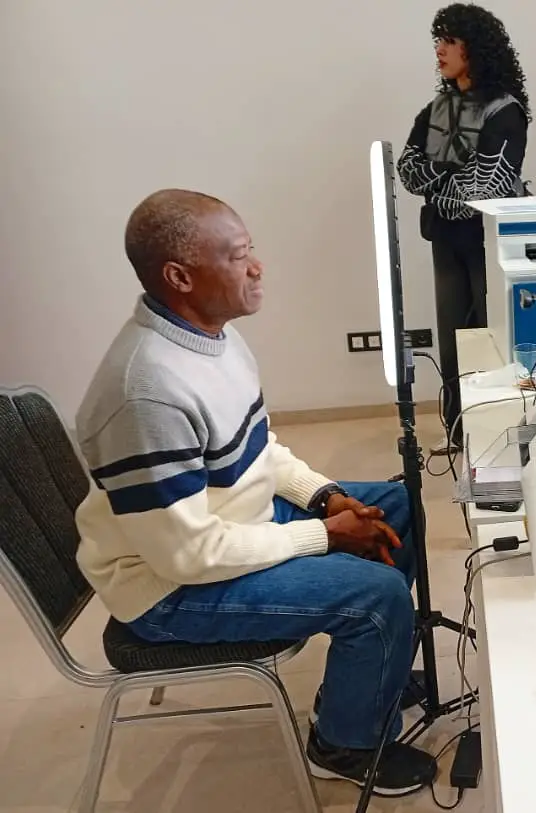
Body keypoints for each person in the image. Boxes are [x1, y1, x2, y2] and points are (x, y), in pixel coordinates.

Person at [73, 189, 437, 797]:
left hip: (228, 525)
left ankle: (375, 679)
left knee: (393, 506)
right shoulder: (147, 393)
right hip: (168, 588)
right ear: (179, 276)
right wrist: (322, 534)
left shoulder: (211, 338)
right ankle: (344, 743)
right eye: (239, 255)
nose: (257, 266)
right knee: (375, 595)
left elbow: (257, 447)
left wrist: (324, 496)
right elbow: (185, 557)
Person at [397, 2, 530, 454]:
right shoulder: (439, 107)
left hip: (487, 242)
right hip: (446, 240)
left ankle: (494, 435)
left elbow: (482, 189)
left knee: (490, 336)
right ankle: (459, 433)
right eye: (439, 40)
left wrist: (441, 176)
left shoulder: (505, 111)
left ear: (476, 48)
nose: (440, 49)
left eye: (450, 41)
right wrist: (451, 175)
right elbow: (407, 170)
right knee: (451, 336)